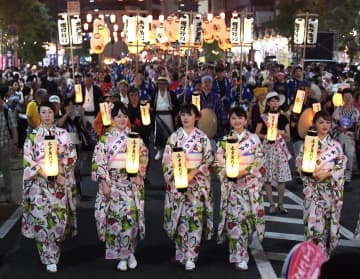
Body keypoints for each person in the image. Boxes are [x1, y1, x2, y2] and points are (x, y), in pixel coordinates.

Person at [21, 101, 78, 273]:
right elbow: (28, 160)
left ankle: (53, 249)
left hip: (59, 183)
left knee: (57, 222)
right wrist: (43, 172)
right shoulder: (32, 136)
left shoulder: (63, 134)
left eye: (50, 112)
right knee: (41, 220)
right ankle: (48, 256)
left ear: (55, 114)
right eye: (43, 112)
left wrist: (61, 171)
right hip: (39, 183)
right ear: (39, 115)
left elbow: (71, 155)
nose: (47, 116)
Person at [91, 102, 148, 271]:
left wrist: (139, 174)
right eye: (118, 116)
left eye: (124, 116)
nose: (122, 119)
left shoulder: (135, 137)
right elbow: (98, 161)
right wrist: (103, 182)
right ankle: (124, 255)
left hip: (130, 183)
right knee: (115, 220)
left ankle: (128, 253)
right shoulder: (105, 139)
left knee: (130, 219)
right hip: (112, 183)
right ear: (113, 119)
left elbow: (143, 156)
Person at [162, 104, 214, 271]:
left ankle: (191, 254)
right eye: (183, 114)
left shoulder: (202, 138)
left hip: (197, 185)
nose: (185, 118)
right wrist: (177, 175)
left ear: (196, 117)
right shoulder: (174, 137)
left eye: (189, 114)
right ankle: (180, 251)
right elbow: (166, 161)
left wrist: (193, 173)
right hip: (178, 184)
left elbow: (208, 160)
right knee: (179, 218)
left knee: (194, 219)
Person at [215, 107, 265, 271]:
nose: (237, 121)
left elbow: (259, 160)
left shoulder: (254, 139)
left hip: (250, 186)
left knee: (249, 222)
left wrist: (245, 171)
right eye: (234, 118)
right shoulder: (224, 141)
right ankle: (239, 256)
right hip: (233, 187)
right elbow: (218, 163)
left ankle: (245, 244)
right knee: (235, 221)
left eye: (240, 118)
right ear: (229, 120)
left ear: (246, 120)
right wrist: (229, 173)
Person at [296, 110, 346, 258]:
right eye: (321, 122)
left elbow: (341, 165)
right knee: (314, 224)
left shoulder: (335, 146)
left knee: (328, 224)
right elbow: (299, 163)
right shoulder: (308, 143)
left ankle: (324, 256)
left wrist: (328, 173)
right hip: (313, 189)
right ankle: (315, 257)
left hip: (330, 190)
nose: (325, 125)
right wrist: (308, 173)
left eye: (328, 122)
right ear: (314, 124)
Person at [255, 91, 292, 214]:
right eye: (272, 101)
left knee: (281, 178)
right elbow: (256, 134)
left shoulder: (283, 118)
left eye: (276, 101)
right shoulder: (263, 117)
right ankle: (271, 204)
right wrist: (266, 135)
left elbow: (288, 137)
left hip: (280, 149)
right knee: (267, 178)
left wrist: (281, 132)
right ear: (268, 103)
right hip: (268, 148)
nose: (275, 103)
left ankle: (281, 204)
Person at [332, 88, 360, 185]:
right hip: (339, 135)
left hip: (350, 135)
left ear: (352, 98)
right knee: (339, 155)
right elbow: (332, 122)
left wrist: (357, 135)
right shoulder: (338, 110)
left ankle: (348, 175)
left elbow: (358, 124)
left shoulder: (355, 111)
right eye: (345, 97)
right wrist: (337, 127)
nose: (347, 99)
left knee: (350, 155)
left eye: (349, 97)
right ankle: (339, 174)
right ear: (343, 98)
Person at [151, 76, 179, 160]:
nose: (162, 85)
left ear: (166, 84)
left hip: (169, 117)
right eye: (160, 83)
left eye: (164, 83)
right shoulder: (155, 93)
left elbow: (177, 105)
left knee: (170, 134)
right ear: (158, 84)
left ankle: (170, 151)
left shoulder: (171, 93)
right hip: (158, 117)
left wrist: (176, 115)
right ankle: (160, 151)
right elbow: (151, 103)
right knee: (158, 135)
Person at [0, 86, 19, 203]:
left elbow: (14, 129)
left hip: (4, 145)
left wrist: (15, 144)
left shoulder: (7, 112)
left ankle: (8, 194)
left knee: (5, 170)